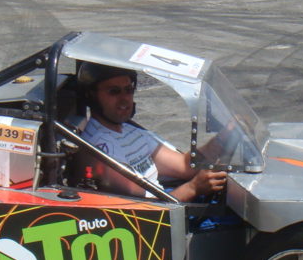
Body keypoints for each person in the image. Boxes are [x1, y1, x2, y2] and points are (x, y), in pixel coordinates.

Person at [77, 63, 226, 201]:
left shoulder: (128, 131)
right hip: (153, 220)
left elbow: (185, 166)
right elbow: (143, 210)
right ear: (92, 95)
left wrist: (226, 137)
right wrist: (193, 188)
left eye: (128, 90)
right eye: (114, 92)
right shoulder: (100, 146)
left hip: (169, 204)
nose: (124, 99)